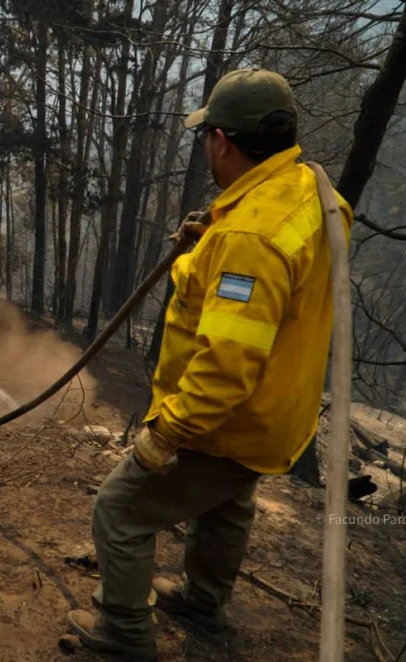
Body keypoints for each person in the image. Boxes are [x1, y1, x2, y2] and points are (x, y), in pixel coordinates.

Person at [65, 68, 354, 660]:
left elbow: (226, 363)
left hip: (225, 418)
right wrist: (212, 238)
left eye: (206, 137)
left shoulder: (249, 237)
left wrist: (165, 433)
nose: (204, 147)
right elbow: (279, 292)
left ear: (222, 140)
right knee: (227, 503)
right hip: (274, 414)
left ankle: (122, 635)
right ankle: (204, 601)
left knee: (119, 511)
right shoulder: (308, 192)